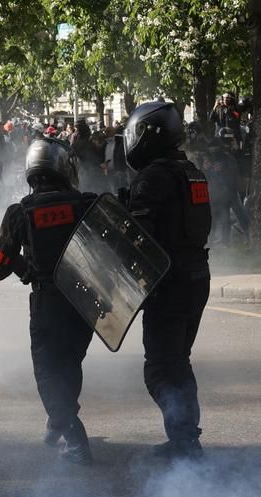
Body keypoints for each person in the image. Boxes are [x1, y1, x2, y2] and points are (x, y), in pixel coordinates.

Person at [0, 138, 99, 464]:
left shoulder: (20, 213)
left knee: (49, 375)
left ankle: (76, 442)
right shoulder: (86, 204)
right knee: (70, 364)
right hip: (84, 301)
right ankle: (57, 424)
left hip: (48, 303)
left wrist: (25, 266)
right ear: (62, 168)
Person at [123, 101, 212, 459]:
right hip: (197, 275)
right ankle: (185, 438)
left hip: (169, 281)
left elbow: (139, 238)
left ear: (148, 134)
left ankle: (185, 442)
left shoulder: (152, 177)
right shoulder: (192, 171)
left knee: (160, 369)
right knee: (179, 361)